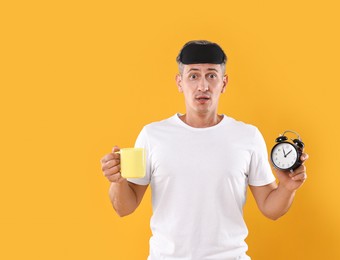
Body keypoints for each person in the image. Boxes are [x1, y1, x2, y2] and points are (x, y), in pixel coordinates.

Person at [100, 40, 309, 260]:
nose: (203, 86)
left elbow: (270, 208)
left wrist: (286, 188)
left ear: (224, 82)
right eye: (193, 76)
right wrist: (117, 180)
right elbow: (124, 207)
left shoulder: (247, 136)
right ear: (179, 82)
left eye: (211, 75)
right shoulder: (152, 135)